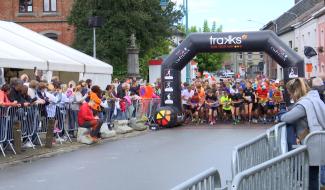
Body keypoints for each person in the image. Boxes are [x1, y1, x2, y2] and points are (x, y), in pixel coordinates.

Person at [281, 78, 325, 190]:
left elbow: (286, 118)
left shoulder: (304, 104)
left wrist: (282, 113)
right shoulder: (315, 99)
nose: (291, 97)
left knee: (310, 177)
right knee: (314, 175)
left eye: (290, 94)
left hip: (310, 144)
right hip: (317, 141)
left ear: (295, 92)